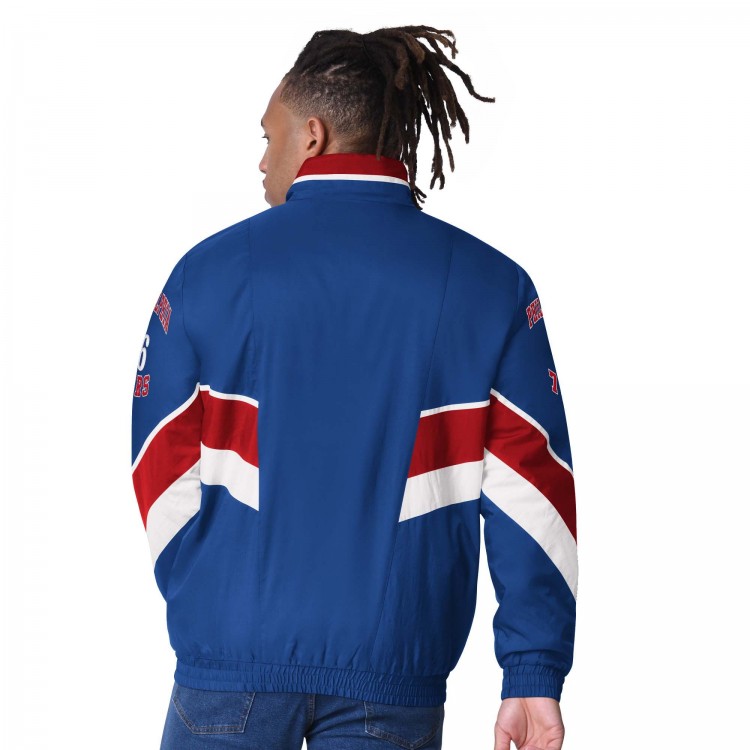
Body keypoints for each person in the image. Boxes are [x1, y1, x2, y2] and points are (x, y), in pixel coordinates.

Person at [131, 25, 578, 750]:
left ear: (313, 135)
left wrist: (212, 602)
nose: (262, 159)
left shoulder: (205, 275)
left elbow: (156, 456)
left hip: (227, 666)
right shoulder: (493, 286)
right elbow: (534, 489)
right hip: (394, 677)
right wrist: (532, 671)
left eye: (269, 136)